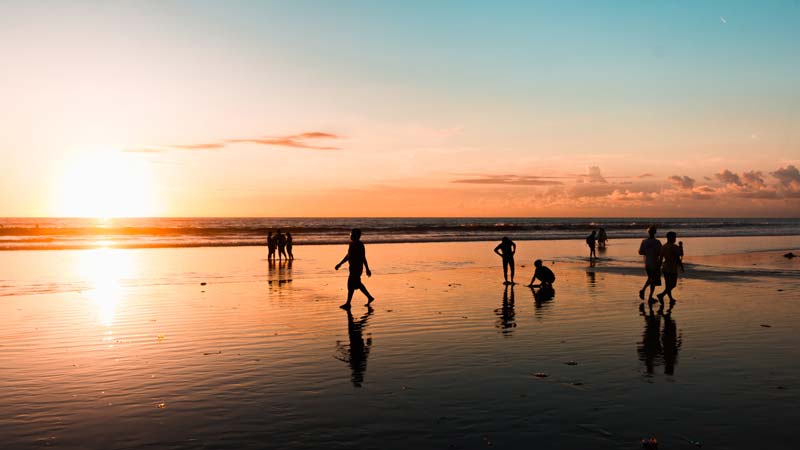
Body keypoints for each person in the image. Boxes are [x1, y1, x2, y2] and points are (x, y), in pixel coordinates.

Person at [335, 228, 375, 308]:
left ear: (357, 236)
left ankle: (348, 303)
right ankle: (369, 297)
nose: (350, 235)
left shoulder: (360, 245)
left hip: (357, 268)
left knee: (351, 284)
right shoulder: (351, 244)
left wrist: (367, 269)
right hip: (352, 267)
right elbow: (348, 256)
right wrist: (340, 264)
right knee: (356, 284)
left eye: (352, 234)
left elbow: (363, 257)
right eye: (350, 234)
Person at [657, 231, 683, 305]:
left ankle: (670, 298)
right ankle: (661, 295)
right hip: (672, 268)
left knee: (668, 284)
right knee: (673, 284)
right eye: (674, 237)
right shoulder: (674, 247)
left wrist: (658, 268)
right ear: (671, 238)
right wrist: (681, 246)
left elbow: (661, 258)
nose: (675, 238)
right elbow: (680, 255)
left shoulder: (663, 246)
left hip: (665, 267)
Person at [638, 226, 662, 304]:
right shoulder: (657, 242)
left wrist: (647, 252)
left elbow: (641, 252)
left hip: (647, 263)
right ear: (655, 233)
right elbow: (660, 253)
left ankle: (643, 291)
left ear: (648, 232)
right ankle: (649, 296)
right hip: (655, 263)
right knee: (653, 281)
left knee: (650, 279)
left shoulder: (644, 241)